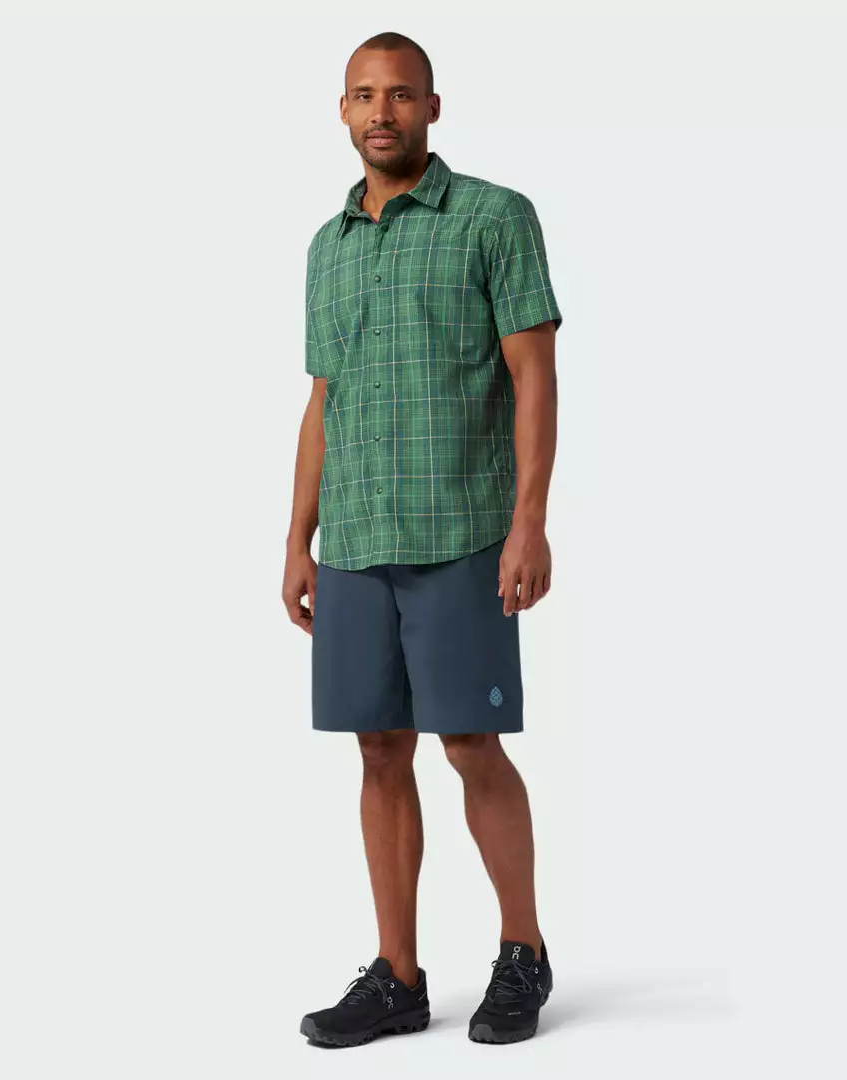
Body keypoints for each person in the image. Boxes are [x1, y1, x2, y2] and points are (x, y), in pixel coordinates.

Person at [282, 30, 563, 1048]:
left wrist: (529, 521)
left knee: (470, 745)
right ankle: (397, 976)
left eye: (400, 94)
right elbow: (324, 400)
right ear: (342, 110)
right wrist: (297, 538)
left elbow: (533, 374)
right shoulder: (327, 246)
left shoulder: (493, 217)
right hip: (356, 539)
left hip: (461, 533)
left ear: (431, 108)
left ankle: (522, 951)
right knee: (377, 749)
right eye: (364, 94)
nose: (381, 111)